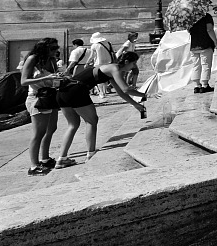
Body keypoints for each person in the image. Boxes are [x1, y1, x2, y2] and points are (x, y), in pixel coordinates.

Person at [56, 36, 147, 167]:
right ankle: (91, 154)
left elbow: (121, 92)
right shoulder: (114, 68)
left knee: (73, 125)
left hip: (63, 91)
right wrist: (144, 94)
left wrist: (136, 105)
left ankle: (62, 158)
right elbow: (126, 89)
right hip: (76, 90)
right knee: (92, 121)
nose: (134, 67)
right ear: (126, 61)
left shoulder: (109, 69)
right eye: (133, 64)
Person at [20, 39, 63, 176]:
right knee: (38, 133)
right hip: (37, 98)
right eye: (53, 47)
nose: (56, 50)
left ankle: (45, 159)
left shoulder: (51, 60)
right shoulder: (33, 59)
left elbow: (52, 78)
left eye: (57, 47)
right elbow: (24, 81)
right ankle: (33, 166)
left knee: (51, 129)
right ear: (43, 48)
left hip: (50, 96)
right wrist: (45, 78)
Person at [189, 12, 217, 93]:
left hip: (194, 45)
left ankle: (196, 85)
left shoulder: (190, 17)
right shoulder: (206, 16)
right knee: (206, 65)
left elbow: (189, 30)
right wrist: (215, 42)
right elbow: (209, 29)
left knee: (195, 65)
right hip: (205, 44)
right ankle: (205, 85)